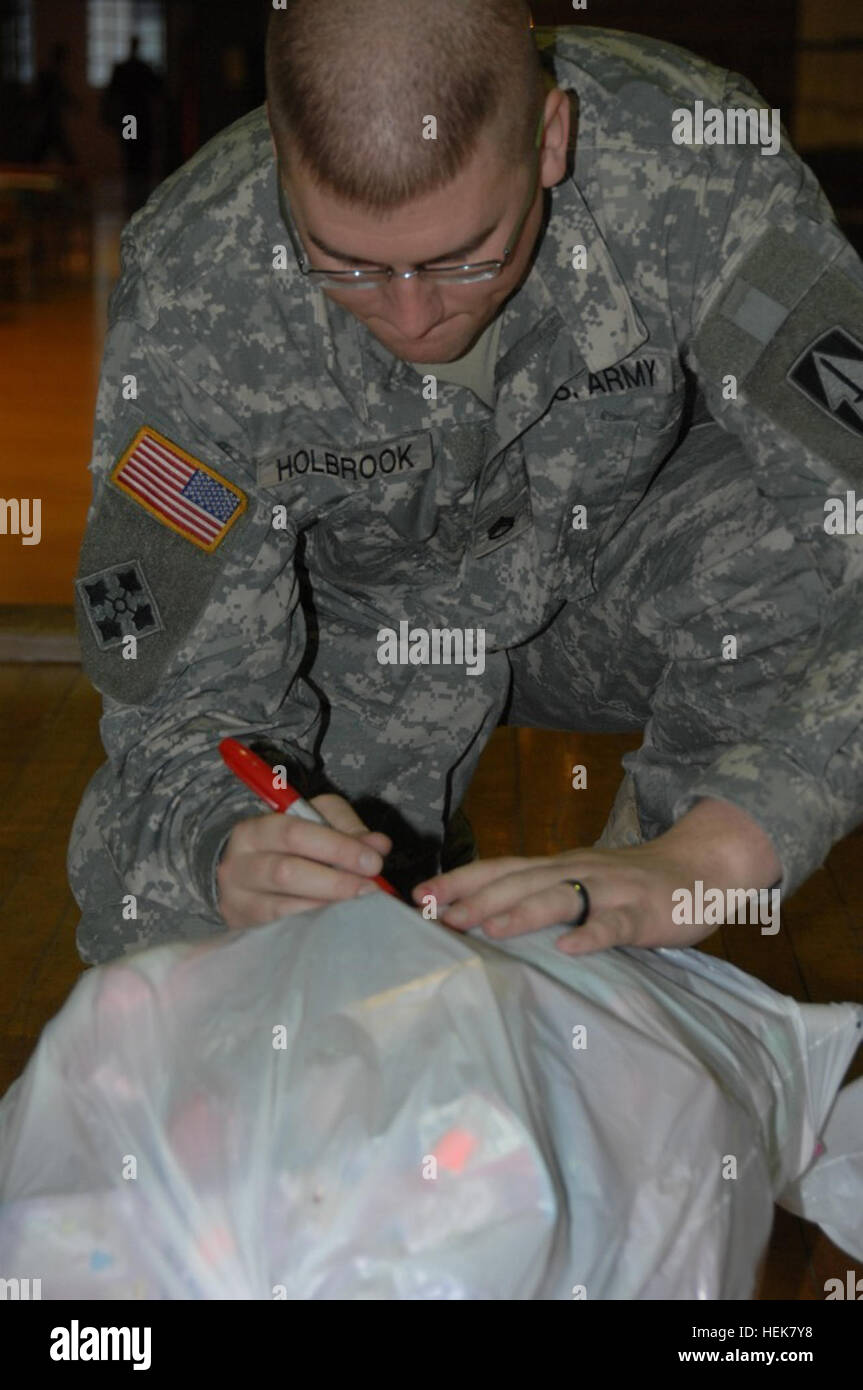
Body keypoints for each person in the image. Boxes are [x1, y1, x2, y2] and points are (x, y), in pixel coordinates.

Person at [69, 1, 863, 967]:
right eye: (348, 264)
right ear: (279, 153)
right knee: (170, 938)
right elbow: (166, 689)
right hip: (341, 643)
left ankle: (627, 968)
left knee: (797, 549)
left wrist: (716, 852)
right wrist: (225, 839)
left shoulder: (693, 165)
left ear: (551, 137)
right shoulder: (194, 288)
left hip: (609, 584)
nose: (412, 315)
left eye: (464, 256)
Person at [101, 35, 163, 216]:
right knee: (135, 152)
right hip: (135, 115)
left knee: (136, 152)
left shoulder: (135, 68)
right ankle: (134, 192)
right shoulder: (135, 68)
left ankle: (137, 191)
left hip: (135, 115)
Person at [30, 42, 78, 165]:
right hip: (49, 120)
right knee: (62, 152)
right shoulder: (51, 75)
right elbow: (58, 96)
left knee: (40, 152)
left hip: (50, 120)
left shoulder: (52, 75)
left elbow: (63, 96)